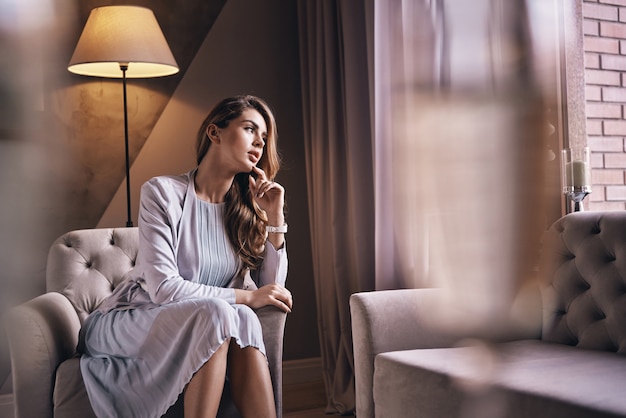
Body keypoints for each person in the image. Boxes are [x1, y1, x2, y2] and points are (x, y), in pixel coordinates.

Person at [78, 95, 293, 418]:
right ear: (214, 132)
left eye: (264, 138)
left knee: (242, 317)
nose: (259, 143)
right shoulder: (163, 193)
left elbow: (272, 293)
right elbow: (164, 289)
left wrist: (275, 217)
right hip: (131, 320)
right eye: (250, 129)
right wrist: (247, 296)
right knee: (220, 314)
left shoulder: (245, 210)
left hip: (201, 321)